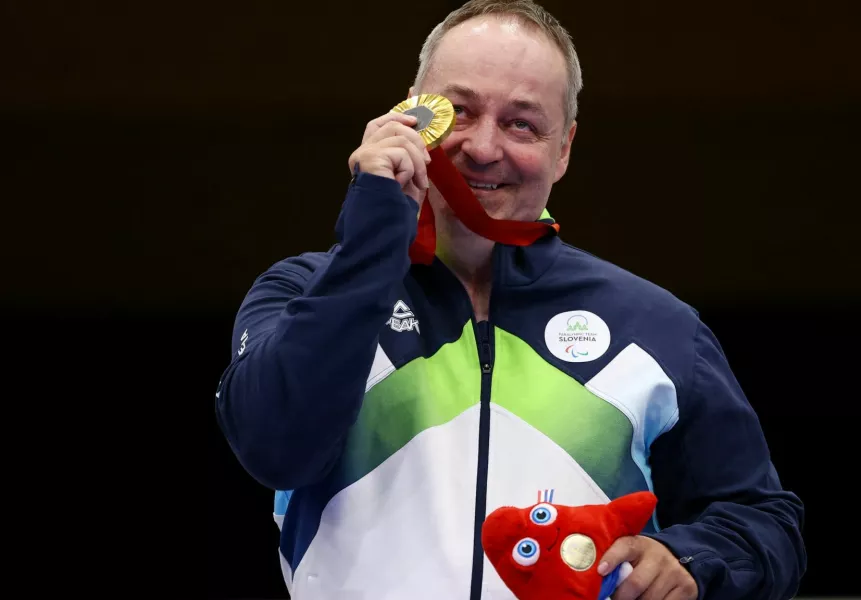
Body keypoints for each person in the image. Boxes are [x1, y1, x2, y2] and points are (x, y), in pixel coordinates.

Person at [214, 1, 807, 599]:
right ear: (409, 115)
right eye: (459, 111)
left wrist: (686, 561)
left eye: (522, 123)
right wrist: (371, 235)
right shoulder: (304, 292)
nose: (481, 147)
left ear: (565, 149)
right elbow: (275, 448)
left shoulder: (656, 327)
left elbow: (766, 525)